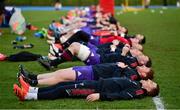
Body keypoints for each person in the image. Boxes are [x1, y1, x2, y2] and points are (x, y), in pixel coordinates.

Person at [13, 76, 159, 101]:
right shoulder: (137, 84)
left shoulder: (139, 91)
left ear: (149, 90)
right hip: (95, 83)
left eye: (152, 83)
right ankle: (32, 90)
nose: (149, 81)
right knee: (61, 85)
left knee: (62, 91)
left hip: (94, 89)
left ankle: (27, 96)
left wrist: (100, 96)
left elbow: (121, 95)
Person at [18, 61, 153, 86]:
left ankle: (32, 83)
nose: (143, 66)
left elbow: (115, 78)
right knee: (59, 72)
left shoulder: (131, 76)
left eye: (145, 69)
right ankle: (31, 76)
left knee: (60, 77)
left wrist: (120, 67)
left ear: (144, 75)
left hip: (92, 74)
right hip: (91, 68)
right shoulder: (132, 70)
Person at [38, 42, 151, 70]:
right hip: (99, 56)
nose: (142, 56)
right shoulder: (133, 59)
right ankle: (53, 62)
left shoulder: (133, 63)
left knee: (75, 47)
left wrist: (122, 53)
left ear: (143, 63)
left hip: (98, 61)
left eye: (143, 58)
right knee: (74, 45)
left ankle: (52, 63)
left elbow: (119, 65)